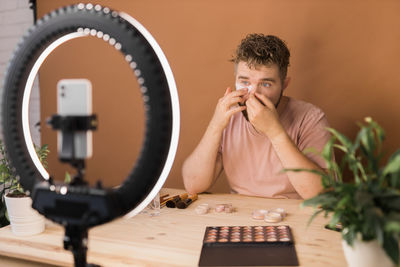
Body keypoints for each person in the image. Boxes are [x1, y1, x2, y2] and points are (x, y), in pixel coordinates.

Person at [182, 34, 331, 199]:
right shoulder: (230, 116)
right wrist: (215, 126)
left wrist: (275, 132)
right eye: (245, 82)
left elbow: (320, 195)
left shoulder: (311, 118)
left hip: (292, 217)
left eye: (266, 84)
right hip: (242, 216)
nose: (253, 93)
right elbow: (193, 185)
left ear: (284, 85)